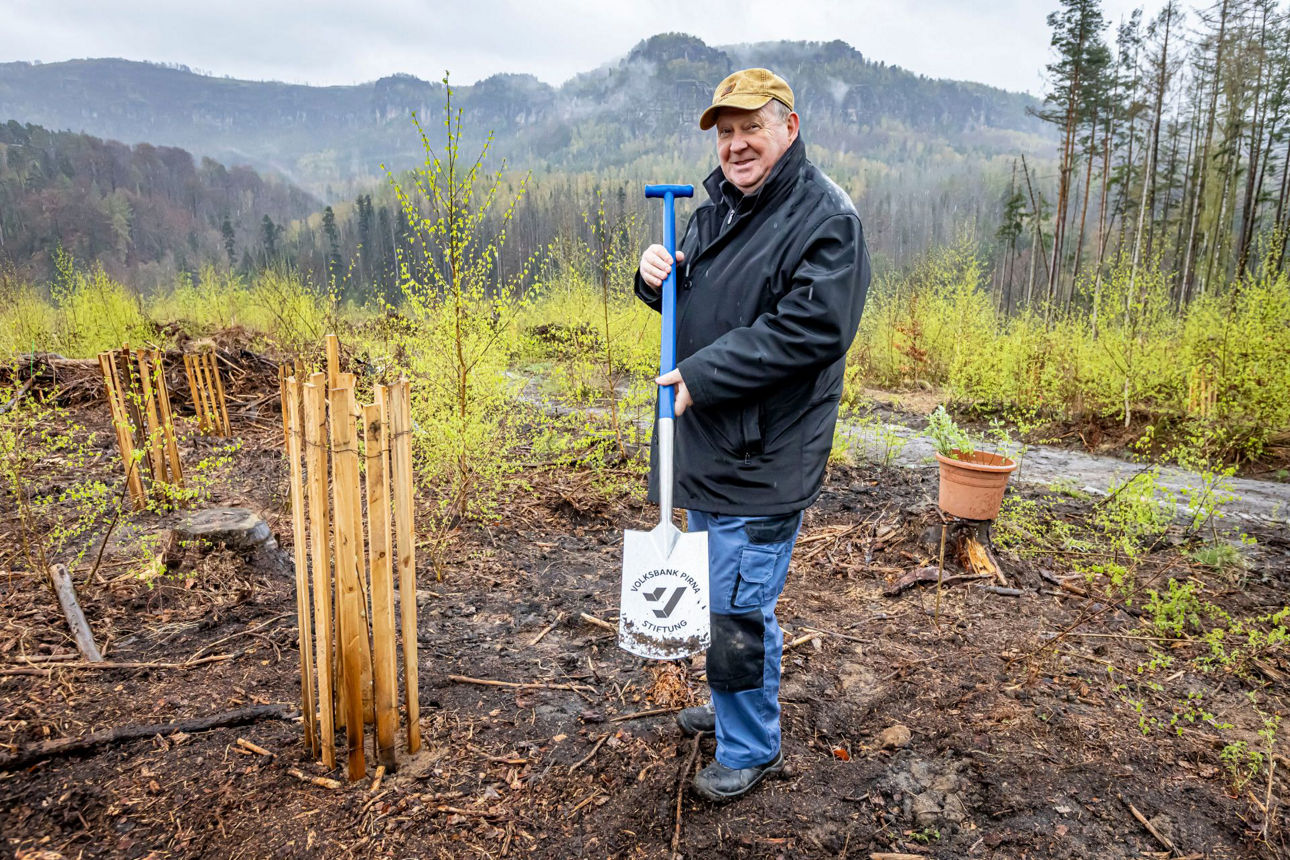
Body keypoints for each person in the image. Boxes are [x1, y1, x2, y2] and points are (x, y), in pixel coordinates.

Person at [635, 67, 871, 802]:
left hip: (762, 454)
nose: (736, 146)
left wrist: (702, 377)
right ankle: (732, 705)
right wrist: (655, 279)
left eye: (751, 129)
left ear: (788, 128)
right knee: (718, 596)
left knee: (738, 607)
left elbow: (812, 329)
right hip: (710, 445)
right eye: (727, 132)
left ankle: (750, 745)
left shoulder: (825, 218)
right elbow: (702, 304)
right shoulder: (721, 209)